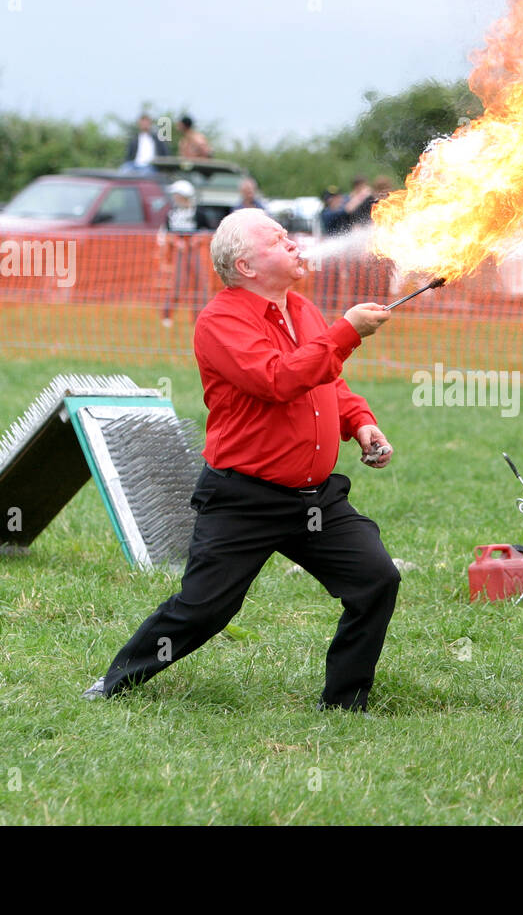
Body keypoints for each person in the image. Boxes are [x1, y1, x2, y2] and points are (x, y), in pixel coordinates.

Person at [83, 208, 399, 711]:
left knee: (376, 579)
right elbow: (278, 379)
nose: (292, 243)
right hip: (244, 497)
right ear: (247, 266)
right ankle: (116, 683)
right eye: (276, 239)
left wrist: (359, 422)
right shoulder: (221, 321)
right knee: (204, 609)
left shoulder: (304, 310)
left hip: (315, 500)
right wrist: (348, 331)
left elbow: (328, 381)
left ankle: (345, 704)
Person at [159, 180, 207, 327]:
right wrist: (176, 242)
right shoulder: (172, 213)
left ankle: (199, 316)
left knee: (200, 283)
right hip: (180, 252)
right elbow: (167, 232)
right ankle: (167, 314)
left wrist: (197, 239)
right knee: (178, 283)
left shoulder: (197, 213)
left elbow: (206, 230)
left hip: (195, 250)